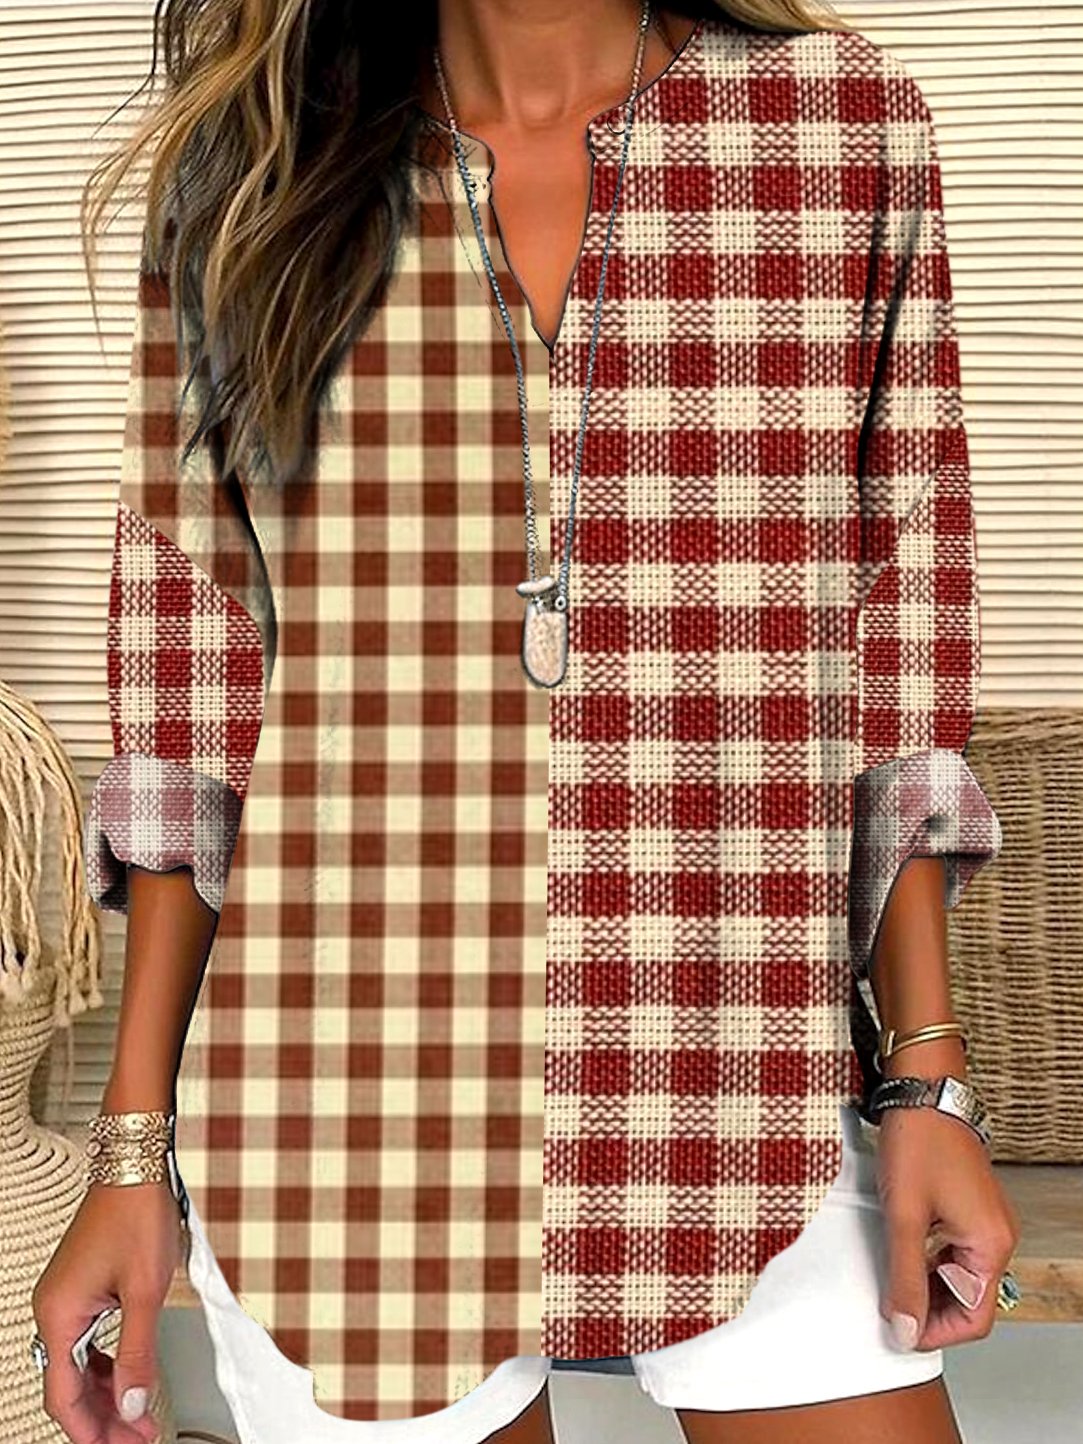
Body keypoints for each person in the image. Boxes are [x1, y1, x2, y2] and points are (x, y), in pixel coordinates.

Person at [30, 2, 1020, 1442]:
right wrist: (134, 1152)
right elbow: (192, 703)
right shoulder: (255, 173)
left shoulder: (837, 127)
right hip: (344, 1102)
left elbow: (896, 637)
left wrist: (928, 1076)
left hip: (750, 1067)